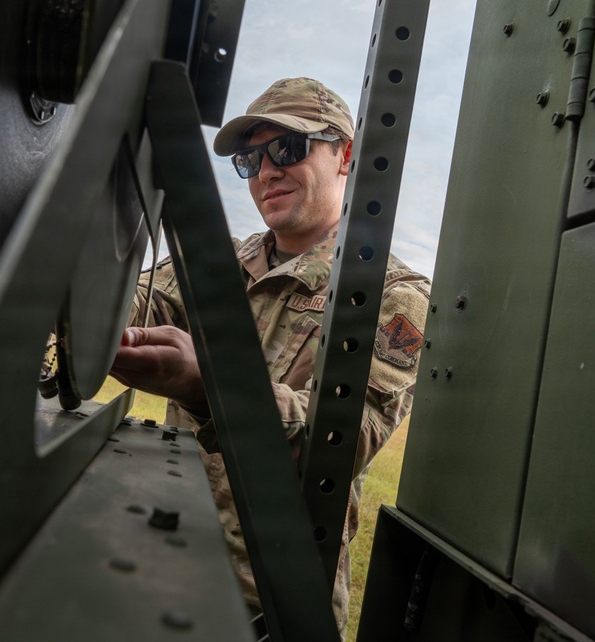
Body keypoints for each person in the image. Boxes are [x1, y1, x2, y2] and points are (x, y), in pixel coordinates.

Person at [110, 77, 431, 632]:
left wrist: (206, 386)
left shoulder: (393, 297)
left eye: (288, 148)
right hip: (162, 565)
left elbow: (339, 443)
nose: (264, 172)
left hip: (272, 606)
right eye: (249, 160)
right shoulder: (216, 261)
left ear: (345, 156)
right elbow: (133, 301)